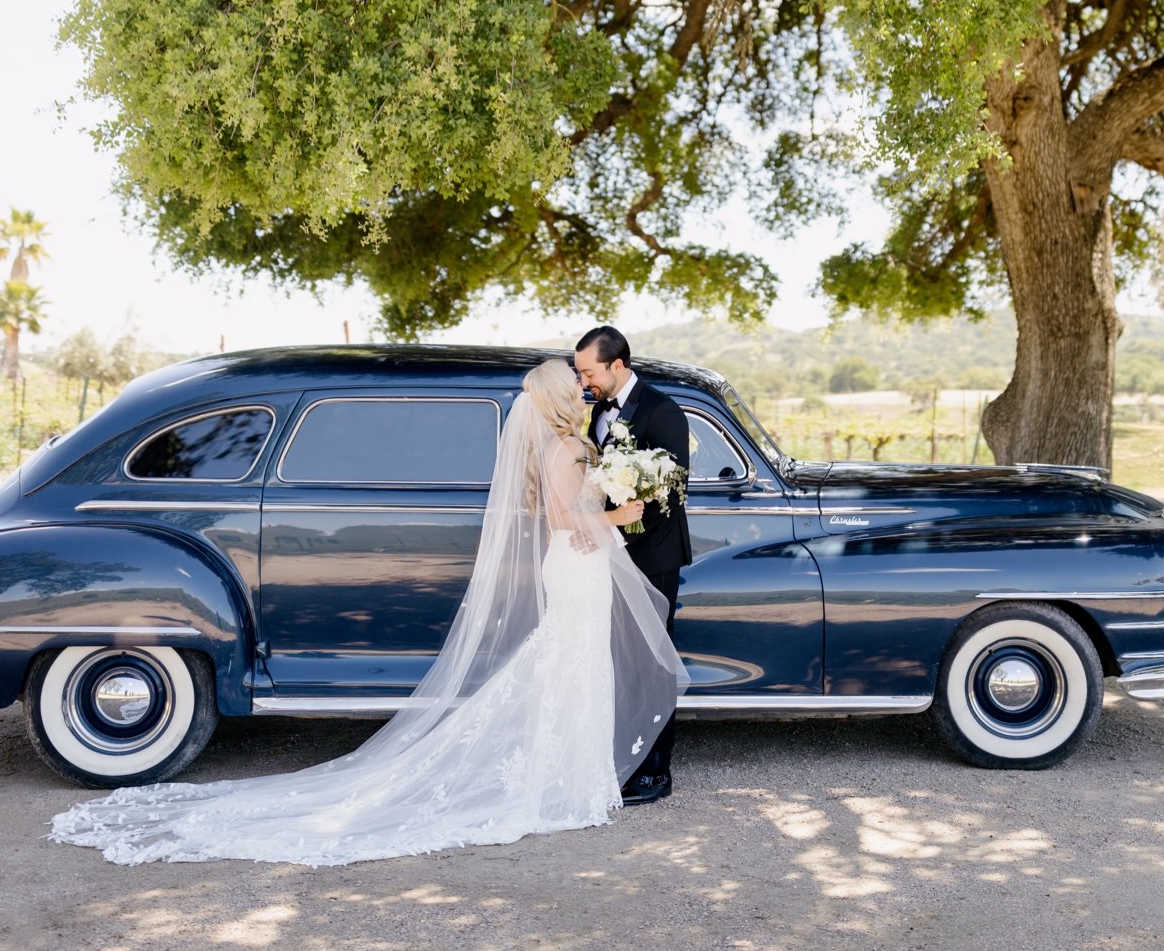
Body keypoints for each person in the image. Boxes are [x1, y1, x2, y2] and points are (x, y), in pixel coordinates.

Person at [46, 359, 687, 866]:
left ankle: (569, 774)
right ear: (557, 399)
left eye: (585, 381)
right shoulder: (570, 449)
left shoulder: (554, 447)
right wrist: (622, 512)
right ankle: (573, 780)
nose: (582, 390)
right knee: (572, 663)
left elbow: (555, 517)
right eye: (573, 385)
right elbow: (570, 518)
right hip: (579, 565)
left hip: (568, 565)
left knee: (564, 664)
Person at [573, 325, 692, 806]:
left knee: (651, 664)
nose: (584, 380)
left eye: (589, 371)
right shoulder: (598, 409)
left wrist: (615, 525)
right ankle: (623, 757)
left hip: (650, 557)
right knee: (619, 662)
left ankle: (655, 772)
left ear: (617, 364)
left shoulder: (663, 411)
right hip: (608, 554)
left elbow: (671, 492)